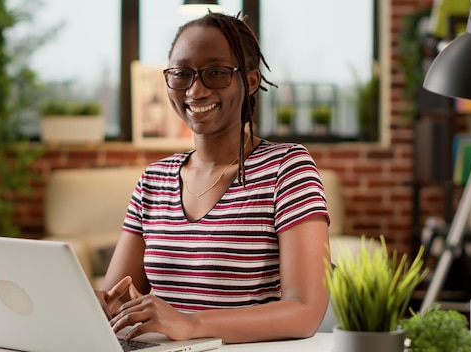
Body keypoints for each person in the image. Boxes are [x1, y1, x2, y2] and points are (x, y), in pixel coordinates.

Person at [95, 11, 331, 344]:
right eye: (182, 74)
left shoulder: (286, 169)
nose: (196, 90)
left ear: (249, 81)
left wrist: (190, 324)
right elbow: (115, 297)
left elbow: (304, 311)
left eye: (216, 73)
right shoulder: (154, 179)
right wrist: (98, 304)